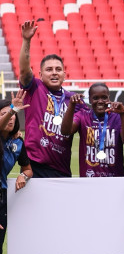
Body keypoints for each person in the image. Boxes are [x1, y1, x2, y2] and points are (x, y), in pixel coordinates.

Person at [17, 20, 75, 177]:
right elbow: (23, 70)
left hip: (62, 168)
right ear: (40, 75)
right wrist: (26, 40)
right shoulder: (35, 88)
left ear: (64, 74)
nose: (54, 73)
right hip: (34, 165)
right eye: (49, 70)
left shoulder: (72, 99)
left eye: (58, 69)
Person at [60, 83, 124, 177]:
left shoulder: (117, 117)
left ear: (109, 98)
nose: (100, 101)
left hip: (114, 180)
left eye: (104, 97)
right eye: (95, 98)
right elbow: (65, 131)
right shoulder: (82, 115)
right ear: (89, 99)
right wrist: (72, 106)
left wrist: (123, 114)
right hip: (89, 179)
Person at [0, 91, 33, 254]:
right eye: (3, 114)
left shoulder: (18, 142)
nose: (10, 118)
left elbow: (28, 168)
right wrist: (12, 109)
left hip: (2, 200)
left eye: (11, 115)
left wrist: (24, 176)